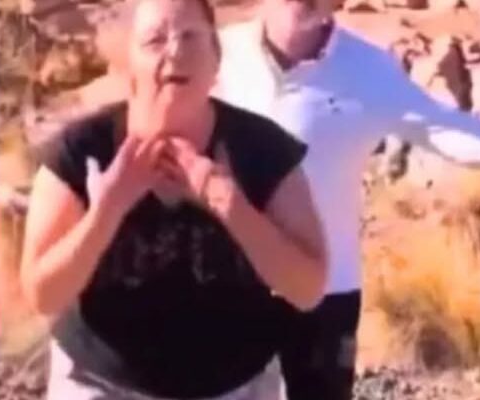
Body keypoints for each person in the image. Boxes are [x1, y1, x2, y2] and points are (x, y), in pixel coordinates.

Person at [19, 0, 328, 399]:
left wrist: (230, 205)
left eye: (190, 37)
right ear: (129, 64)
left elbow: (308, 288)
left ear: (216, 60)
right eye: (155, 40)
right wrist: (108, 209)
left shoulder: (262, 150)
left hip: (236, 386)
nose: (175, 51)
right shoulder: (82, 150)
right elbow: (43, 295)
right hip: (99, 383)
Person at [214, 1, 480, 399]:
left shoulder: (369, 70)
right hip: (233, 286)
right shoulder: (220, 55)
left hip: (328, 293)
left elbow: (447, 130)